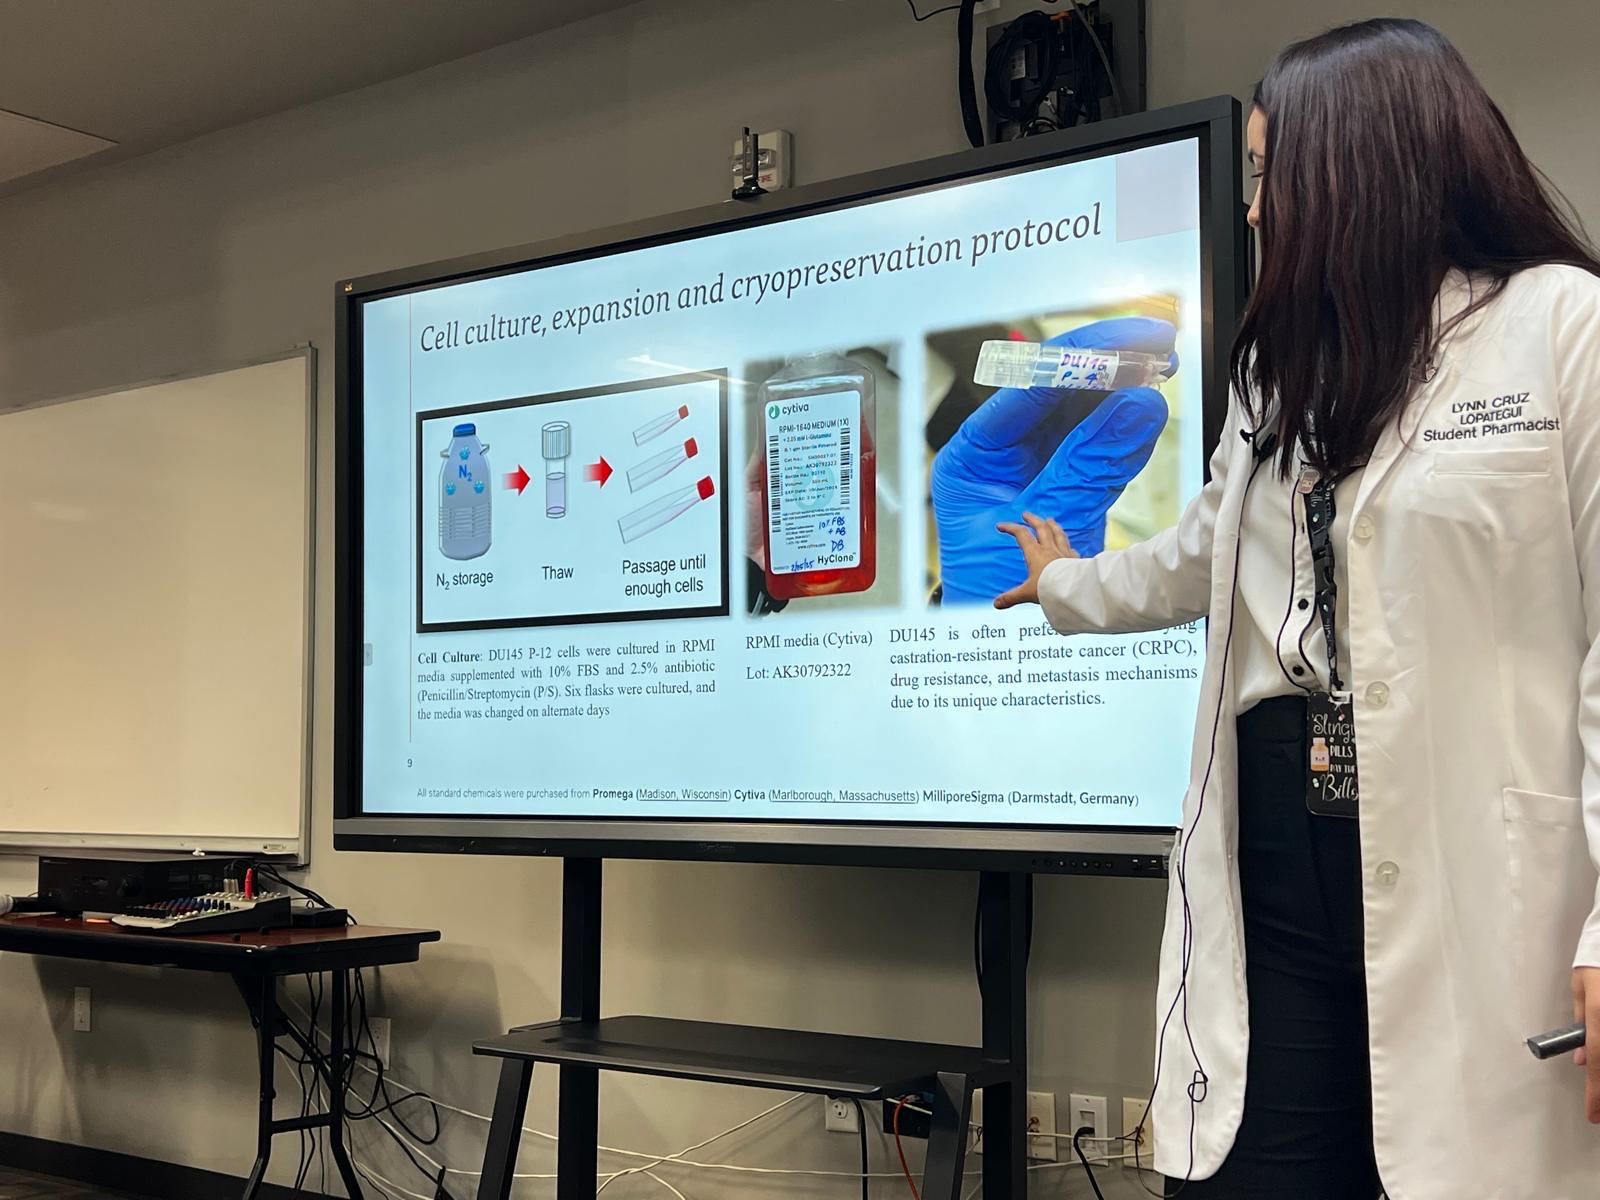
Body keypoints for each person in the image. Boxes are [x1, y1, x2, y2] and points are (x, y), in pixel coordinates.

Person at [993, 19, 1600, 1200]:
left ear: (1359, 168)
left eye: (1270, 173)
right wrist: (1065, 585)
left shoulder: (1560, 325)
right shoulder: (1277, 374)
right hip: (1275, 856)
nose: (1256, 207)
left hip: (1471, 860)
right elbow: (1204, 557)